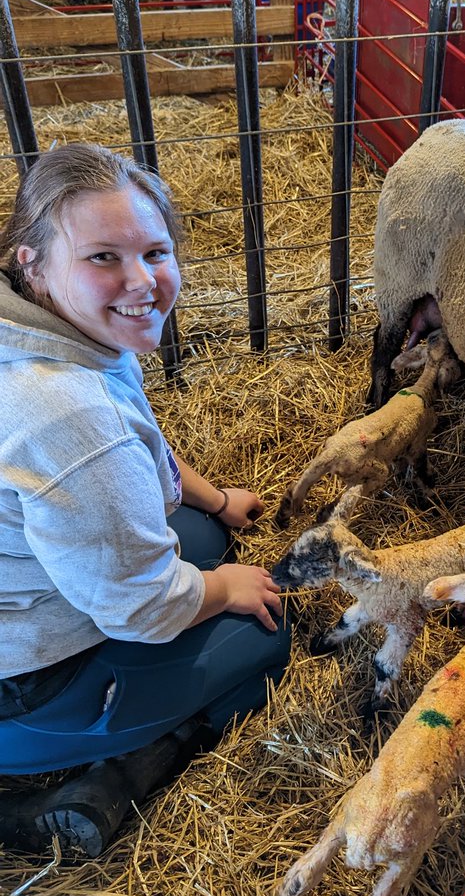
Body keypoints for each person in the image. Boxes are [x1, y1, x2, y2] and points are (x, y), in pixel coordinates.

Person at [0, 143, 291, 858]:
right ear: (32, 262)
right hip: (24, 679)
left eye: (155, 252)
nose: (144, 282)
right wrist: (222, 588)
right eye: (103, 257)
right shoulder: (65, 414)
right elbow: (139, 607)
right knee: (265, 632)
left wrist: (216, 498)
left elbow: (135, 453)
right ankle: (107, 780)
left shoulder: (48, 327)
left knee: (196, 534)